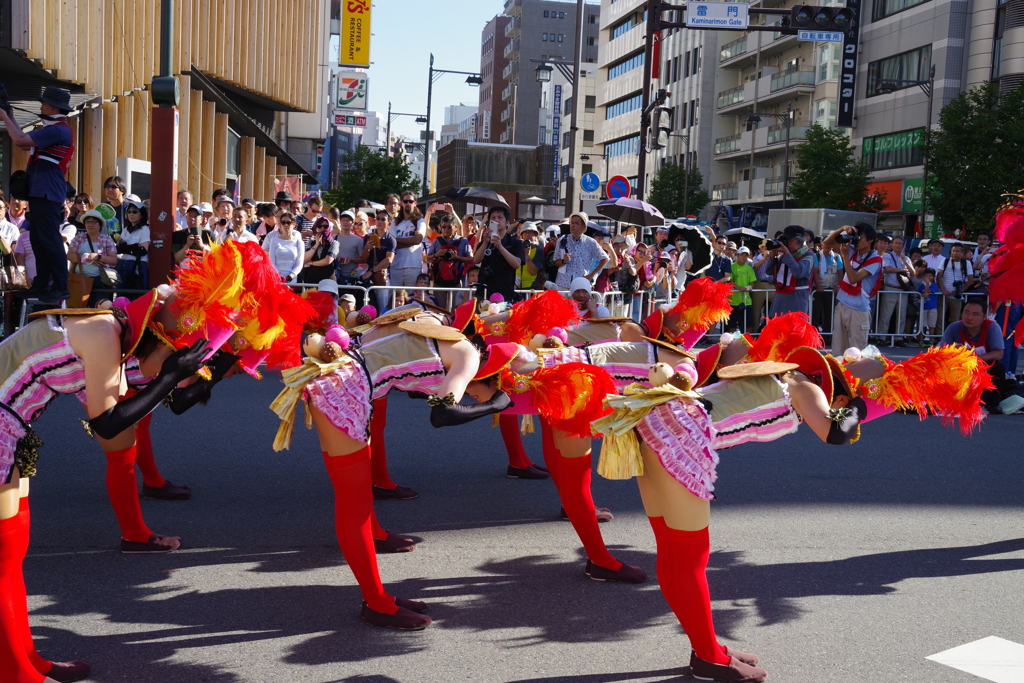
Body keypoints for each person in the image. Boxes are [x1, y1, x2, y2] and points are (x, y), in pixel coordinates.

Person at [271, 308, 511, 630]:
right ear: (491, 377)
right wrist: (496, 405)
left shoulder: (432, 324)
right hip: (345, 388)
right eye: (484, 391)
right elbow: (443, 415)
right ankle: (376, 603)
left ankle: (378, 593)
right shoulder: (467, 355)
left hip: (339, 378)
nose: (472, 392)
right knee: (353, 504)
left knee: (353, 494)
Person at [0, 86, 74, 304]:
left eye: (44, 103)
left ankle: (61, 287)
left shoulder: (57, 130)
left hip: (47, 192)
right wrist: (9, 116)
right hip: (43, 192)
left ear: (53, 107)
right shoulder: (56, 128)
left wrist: (4, 115)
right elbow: (24, 142)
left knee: (49, 240)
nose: (41, 106)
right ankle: (42, 285)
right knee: (38, 239)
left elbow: (20, 141)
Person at [941, 300, 1014, 412]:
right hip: (959, 366)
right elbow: (939, 351)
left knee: (998, 367)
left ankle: (993, 404)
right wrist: (952, 350)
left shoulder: (992, 328)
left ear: (984, 316)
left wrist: (976, 359)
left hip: (982, 365)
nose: (969, 317)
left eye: (975, 314)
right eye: (966, 313)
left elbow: (999, 354)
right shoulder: (954, 327)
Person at [825, 223, 881, 355]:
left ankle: (858, 376)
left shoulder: (876, 259)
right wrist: (841, 229)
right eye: (855, 237)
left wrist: (844, 256)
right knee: (838, 349)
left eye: (860, 237)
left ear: (871, 240)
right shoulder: (852, 250)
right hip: (842, 304)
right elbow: (827, 242)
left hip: (859, 309)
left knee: (857, 352)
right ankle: (840, 375)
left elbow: (853, 279)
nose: (856, 240)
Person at [472, 205, 524, 302]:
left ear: (507, 222)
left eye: (500, 217)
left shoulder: (515, 242)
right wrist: (485, 242)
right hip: (483, 292)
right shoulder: (485, 241)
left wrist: (500, 247)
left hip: (504, 293)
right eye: (493, 218)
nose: (496, 220)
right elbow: (476, 260)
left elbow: (516, 264)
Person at [68, 210, 118, 306]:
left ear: (100, 225)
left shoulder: (107, 239)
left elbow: (113, 260)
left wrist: (97, 257)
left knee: (99, 310)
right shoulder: (78, 238)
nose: (90, 224)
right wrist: (85, 257)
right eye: (88, 222)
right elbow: (70, 256)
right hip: (80, 280)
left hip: (101, 280)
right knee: (79, 310)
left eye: (94, 222)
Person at [552, 212, 608, 289]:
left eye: (576, 223)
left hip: (581, 284)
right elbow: (555, 262)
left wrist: (591, 275)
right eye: (571, 222)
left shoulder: (590, 242)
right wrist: (563, 261)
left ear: (583, 226)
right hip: (562, 283)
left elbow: (605, 259)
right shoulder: (562, 240)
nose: (573, 225)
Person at [769, 225, 814, 317]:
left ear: (800, 240)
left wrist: (786, 253)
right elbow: (768, 271)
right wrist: (773, 253)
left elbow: (798, 273)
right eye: (786, 240)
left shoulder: (809, 254)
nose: (788, 243)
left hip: (796, 299)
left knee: (794, 328)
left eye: (790, 240)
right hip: (780, 298)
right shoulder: (784, 255)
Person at [427, 212, 472, 302]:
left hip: (455, 282)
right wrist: (437, 255)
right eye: (443, 227)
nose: (446, 229)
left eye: (449, 227)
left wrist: (457, 258)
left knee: (454, 311)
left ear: (456, 227)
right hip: (439, 282)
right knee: (440, 310)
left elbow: (471, 259)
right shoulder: (437, 240)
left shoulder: (463, 241)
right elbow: (427, 259)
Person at [878, 235, 914, 343]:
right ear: (892, 245)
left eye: (900, 244)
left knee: (901, 315)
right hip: (890, 288)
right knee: (886, 314)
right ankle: (881, 337)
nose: (898, 245)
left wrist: (905, 262)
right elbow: (888, 269)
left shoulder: (906, 258)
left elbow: (913, 273)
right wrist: (902, 270)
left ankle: (899, 337)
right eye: (896, 243)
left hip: (903, 289)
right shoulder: (887, 256)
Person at [360, 209, 398, 313]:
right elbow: (364, 258)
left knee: (382, 307)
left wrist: (371, 271)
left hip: (382, 278)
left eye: (383, 219)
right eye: (378, 219)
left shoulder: (391, 240)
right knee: (366, 305)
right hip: (367, 277)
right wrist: (367, 248)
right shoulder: (368, 236)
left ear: (389, 223)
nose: (379, 221)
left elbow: (389, 260)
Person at [389, 192, 426, 287]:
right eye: (405, 201)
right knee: (394, 298)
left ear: (415, 203)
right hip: (396, 266)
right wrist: (411, 240)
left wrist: (396, 240)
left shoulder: (420, 221)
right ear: (402, 203)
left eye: (410, 201)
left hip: (413, 266)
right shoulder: (395, 222)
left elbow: (417, 240)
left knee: (411, 297)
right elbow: (391, 243)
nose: (408, 203)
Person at [115, 198, 150, 289]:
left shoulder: (145, 229)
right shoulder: (126, 229)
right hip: (123, 263)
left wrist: (126, 248)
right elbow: (118, 249)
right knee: (120, 294)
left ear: (142, 215)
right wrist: (134, 247)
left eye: (135, 212)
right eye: (129, 212)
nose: (131, 214)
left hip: (137, 265)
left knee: (137, 294)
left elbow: (143, 251)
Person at [936, 243, 975, 325]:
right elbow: (938, 277)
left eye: (957, 251)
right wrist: (943, 290)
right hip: (943, 295)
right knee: (940, 319)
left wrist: (961, 290)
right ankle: (939, 337)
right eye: (953, 251)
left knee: (955, 320)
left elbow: (970, 280)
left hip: (956, 296)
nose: (954, 253)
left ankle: (954, 337)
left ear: (962, 253)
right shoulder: (945, 261)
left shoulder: (966, 263)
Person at [261, 212, 304, 283]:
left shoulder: (299, 242)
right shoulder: (274, 241)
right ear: (280, 224)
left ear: (293, 224)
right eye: (283, 222)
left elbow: (299, 264)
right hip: (276, 278)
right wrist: (279, 276)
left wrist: (290, 276)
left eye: (288, 222)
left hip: (292, 279)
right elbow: (272, 261)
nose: (286, 225)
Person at [301, 218, 338, 283]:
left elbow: (327, 261)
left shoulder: (334, 243)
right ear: (316, 228)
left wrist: (311, 263)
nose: (322, 228)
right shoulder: (311, 242)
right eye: (319, 226)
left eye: (325, 226)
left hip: (327, 280)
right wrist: (316, 244)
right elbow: (305, 259)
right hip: (311, 279)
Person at [728, 246, 755, 333]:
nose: (744, 257)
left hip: (746, 301)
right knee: (732, 325)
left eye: (746, 255)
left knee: (748, 325)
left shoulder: (749, 268)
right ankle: (731, 343)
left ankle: (747, 344)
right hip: (732, 301)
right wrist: (738, 288)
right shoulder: (731, 266)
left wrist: (748, 288)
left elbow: (752, 282)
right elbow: (729, 280)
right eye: (742, 255)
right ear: (737, 255)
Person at [515, 222, 547, 292]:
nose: (527, 235)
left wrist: (527, 255)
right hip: (515, 286)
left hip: (531, 287)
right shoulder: (517, 248)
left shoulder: (539, 250)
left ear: (535, 235)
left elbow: (533, 271)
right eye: (525, 232)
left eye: (530, 232)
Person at [916, 268, 941, 344]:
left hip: (932, 307)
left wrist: (927, 284)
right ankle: (921, 340)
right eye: (926, 276)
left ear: (933, 277)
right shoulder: (921, 286)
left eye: (930, 276)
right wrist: (921, 295)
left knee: (931, 324)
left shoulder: (934, 285)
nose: (927, 278)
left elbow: (928, 291)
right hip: (923, 307)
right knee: (922, 324)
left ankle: (931, 340)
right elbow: (918, 294)